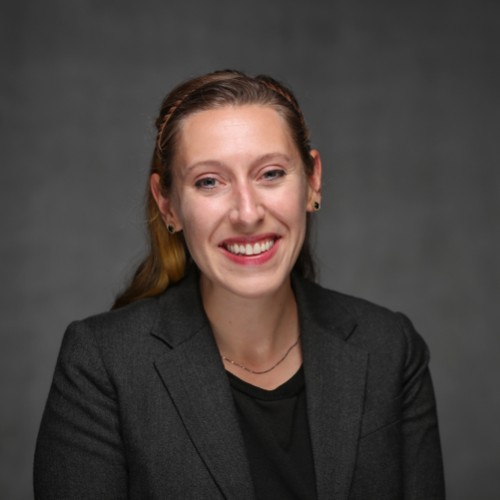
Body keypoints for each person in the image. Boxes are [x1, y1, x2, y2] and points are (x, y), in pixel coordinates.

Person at [34, 70, 445, 499]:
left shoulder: (389, 348)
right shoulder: (102, 364)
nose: (247, 213)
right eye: (209, 181)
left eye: (270, 173)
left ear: (312, 180)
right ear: (167, 204)